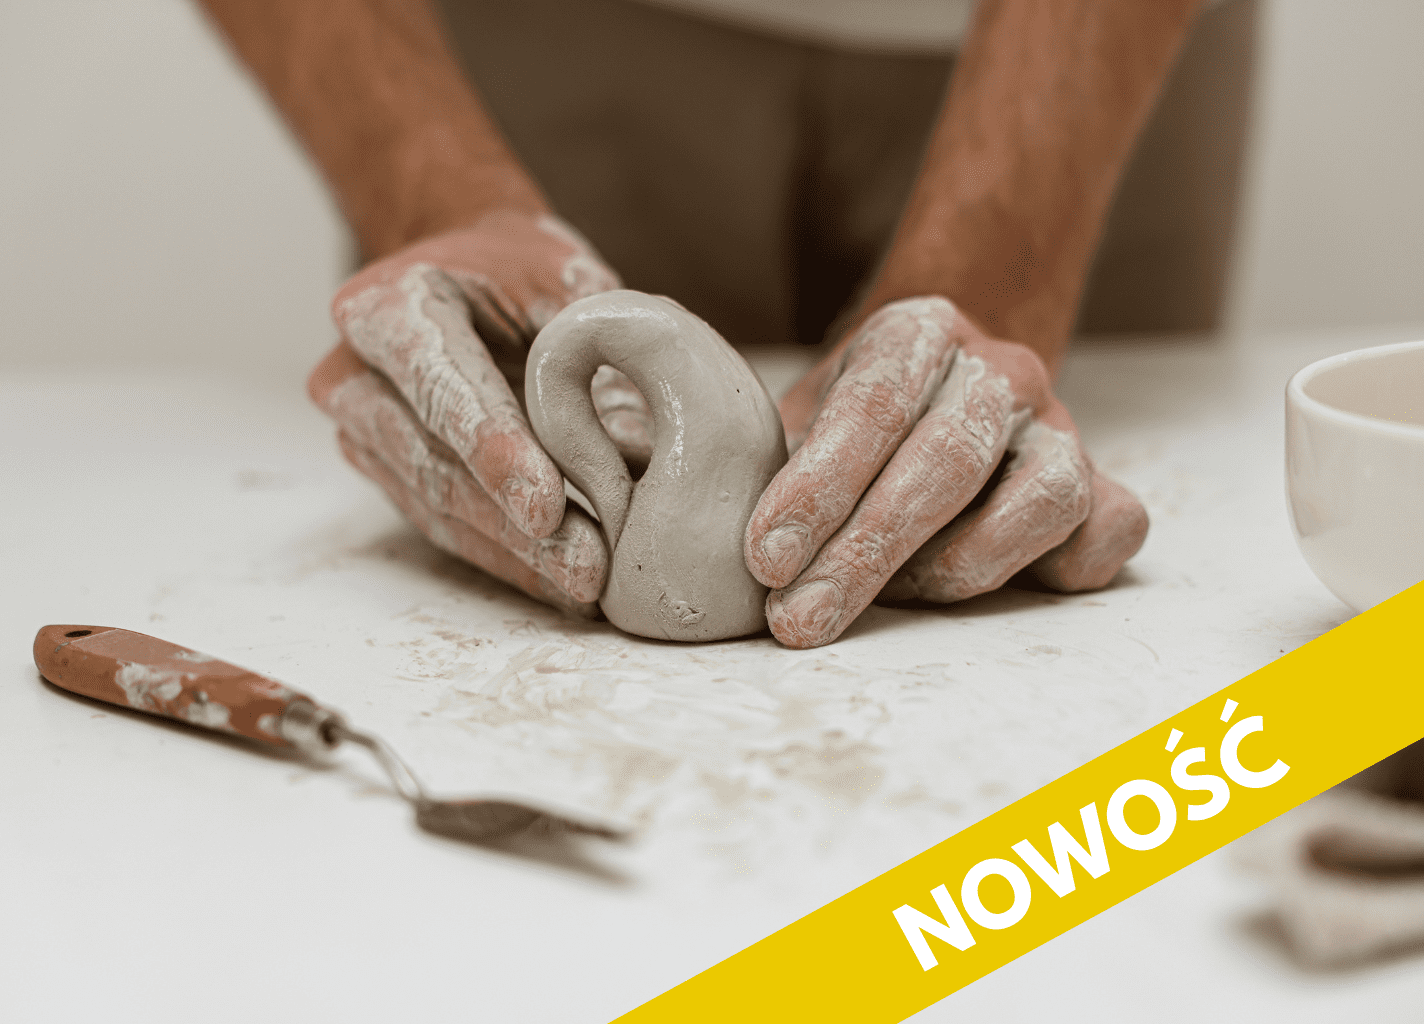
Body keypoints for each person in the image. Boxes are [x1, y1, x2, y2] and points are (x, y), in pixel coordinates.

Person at [198, 0, 1197, 648]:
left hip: (1076, 44)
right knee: (493, 407)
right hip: (536, 39)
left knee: (965, 463)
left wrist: (995, 276)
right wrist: (434, 195)